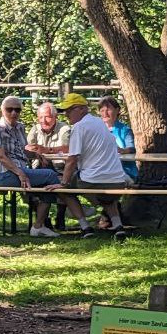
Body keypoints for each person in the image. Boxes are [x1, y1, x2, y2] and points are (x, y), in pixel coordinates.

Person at [0, 96, 91, 238]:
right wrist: (20, 173)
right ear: (2, 110)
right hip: (5, 174)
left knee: (47, 187)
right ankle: (77, 219)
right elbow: (0, 157)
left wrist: (37, 154)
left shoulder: (20, 127)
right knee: (51, 177)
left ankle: (40, 225)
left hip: (28, 170)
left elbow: (24, 151)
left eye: (17, 110)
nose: (13, 113)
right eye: (9, 109)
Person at [45, 93, 127, 239]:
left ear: (82, 109)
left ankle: (85, 227)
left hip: (94, 181)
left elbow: (72, 159)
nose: (66, 114)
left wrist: (63, 183)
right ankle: (118, 226)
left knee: (63, 190)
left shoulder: (79, 127)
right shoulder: (99, 122)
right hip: (118, 180)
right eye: (65, 111)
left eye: (70, 110)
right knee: (106, 195)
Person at [25, 102, 71, 230]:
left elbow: (68, 148)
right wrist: (37, 153)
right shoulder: (35, 129)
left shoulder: (65, 129)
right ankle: (44, 219)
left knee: (61, 185)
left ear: (55, 117)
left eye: (48, 117)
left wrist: (46, 150)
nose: (43, 121)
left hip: (60, 169)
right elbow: (28, 147)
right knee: (26, 187)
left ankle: (60, 216)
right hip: (39, 169)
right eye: (40, 117)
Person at [98, 96, 138, 182]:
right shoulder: (96, 130)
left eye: (108, 110)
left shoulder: (125, 130)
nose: (105, 113)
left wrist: (121, 150)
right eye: (102, 110)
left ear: (117, 110)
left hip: (124, 171)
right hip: (101, 170)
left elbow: (131, 149)